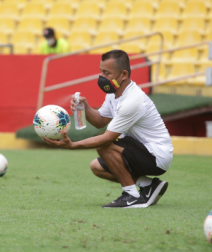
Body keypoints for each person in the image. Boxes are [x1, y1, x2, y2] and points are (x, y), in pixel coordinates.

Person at [43, 50, 174, 208]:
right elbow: (100, 121)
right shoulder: (113, 94)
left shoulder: (133, 100)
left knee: (103, 145)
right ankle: (148, 185)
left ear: (123, 75)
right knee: (97, 167)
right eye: (101, 71)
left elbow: (106, 138)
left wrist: (72, 145)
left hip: (156, 156)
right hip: (140, 150)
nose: (102, 77)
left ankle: (131, 196)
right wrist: (85, 106)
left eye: (107, 73)